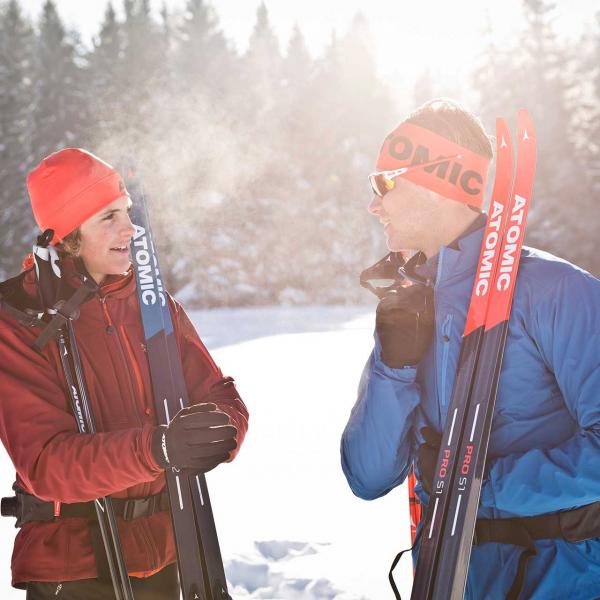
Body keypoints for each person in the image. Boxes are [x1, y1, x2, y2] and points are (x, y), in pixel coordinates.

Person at [340, 98, 600, 600]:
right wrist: (393, 367)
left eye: (385, 183)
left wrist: (481, 486)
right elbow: (368, 477)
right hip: (448, 579)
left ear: (441, 184)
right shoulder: (410, 306)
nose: (375, 204)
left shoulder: (557, 292)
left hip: (558, 579)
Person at [0, 148, 249, 599]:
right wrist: (159, 447)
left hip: (174, 556)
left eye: (128, 212)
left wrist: (217, 430)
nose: (130, 229)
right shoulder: (18, 319)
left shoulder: (152, 305)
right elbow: (47, 464)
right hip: (74, 567)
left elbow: (219, 395)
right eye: (108, 217)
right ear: (70, 234)